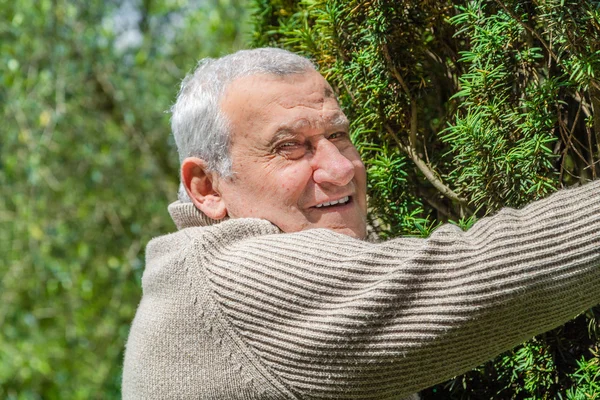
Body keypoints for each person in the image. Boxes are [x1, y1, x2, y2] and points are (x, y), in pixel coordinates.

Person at [122, 47, 600, 399]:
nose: (341, 168)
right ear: (207, 187)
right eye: (290, 146)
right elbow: (469, 276)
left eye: (339, 134)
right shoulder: (229, 278)